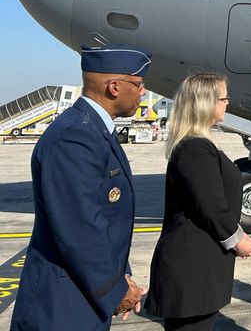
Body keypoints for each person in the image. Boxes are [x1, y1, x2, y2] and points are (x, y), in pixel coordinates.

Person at [11, 44, 152, 330]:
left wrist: (120, 278)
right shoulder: (75, 138)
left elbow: (106, 220)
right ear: (114, 87)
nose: (143, 92)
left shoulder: (93, 131)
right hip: (63, 306)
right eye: (138, 85)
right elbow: (81, 229)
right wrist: (116, 290)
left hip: (83, 296)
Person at [145, 73, 251, 330]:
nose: (228, 103)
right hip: (191, 270)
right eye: (224, 98)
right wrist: (238, 240)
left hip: (197, 268)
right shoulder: (194, 149)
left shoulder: (197, 145)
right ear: (206, 102)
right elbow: (211, 206)